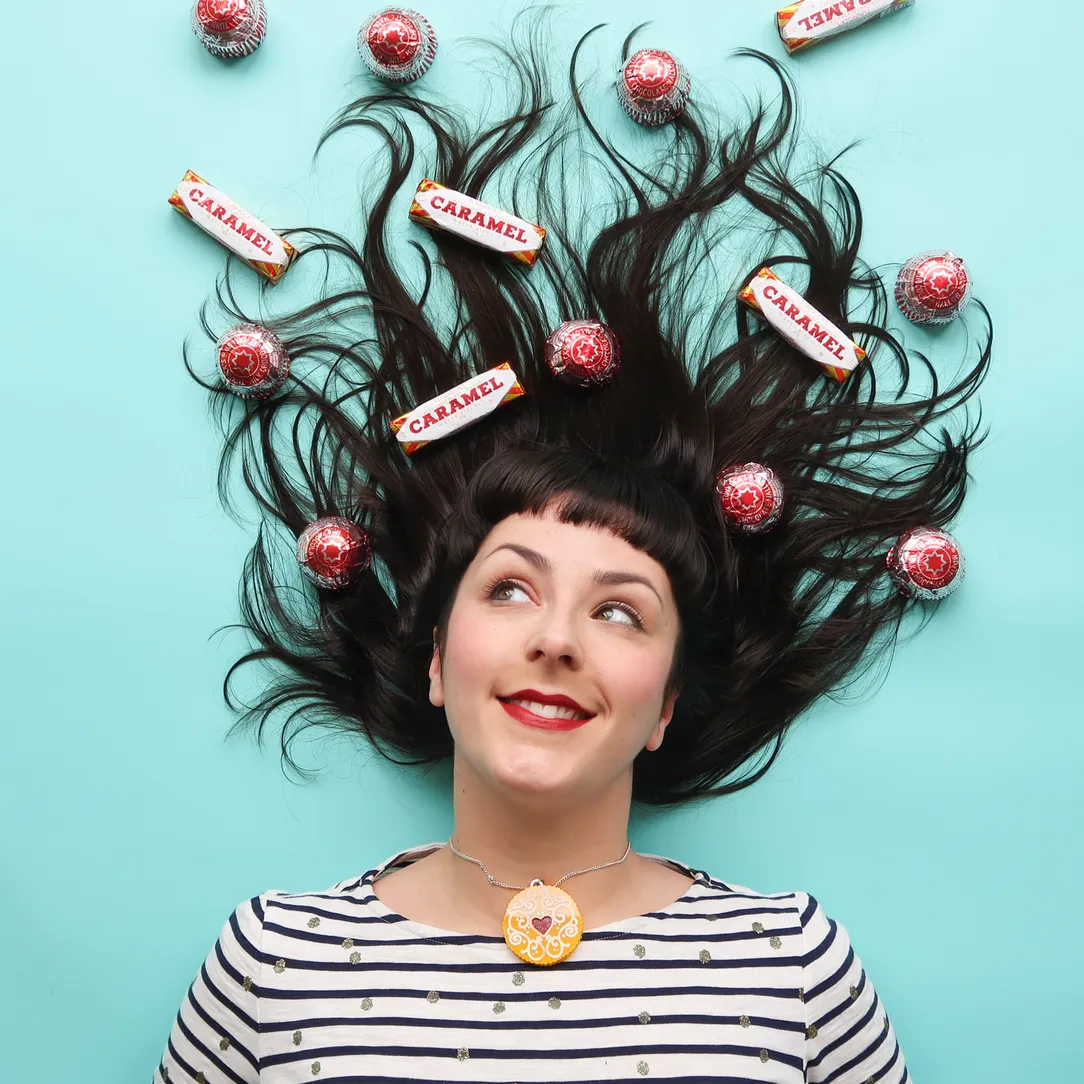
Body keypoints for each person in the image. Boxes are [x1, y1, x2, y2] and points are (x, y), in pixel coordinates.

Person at [159, 19, 989, 1083]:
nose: (555, 639)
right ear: (432, 655)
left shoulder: (793, 967)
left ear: (667, 706)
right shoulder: (273, 964)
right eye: (510, 590)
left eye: (618, 610)